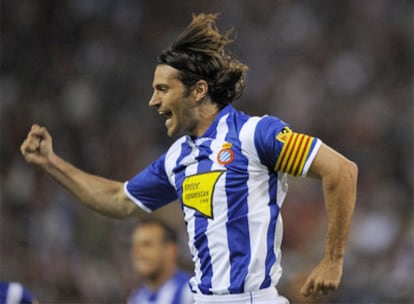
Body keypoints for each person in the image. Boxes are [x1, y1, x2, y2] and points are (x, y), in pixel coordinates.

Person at [20, 13, 358, 304]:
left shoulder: (255, 135)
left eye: (162, 89)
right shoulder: (177, 158)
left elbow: (341, 171)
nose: (152, 101)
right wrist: (51, 163)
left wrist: (332, 259)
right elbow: (118, 200)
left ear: (198, 90)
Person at [127, 219, 193, 304]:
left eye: (146, 244)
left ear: (171, 250)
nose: (137, 252)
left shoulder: (191, 293)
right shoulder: (136, 298)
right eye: (134, 246)